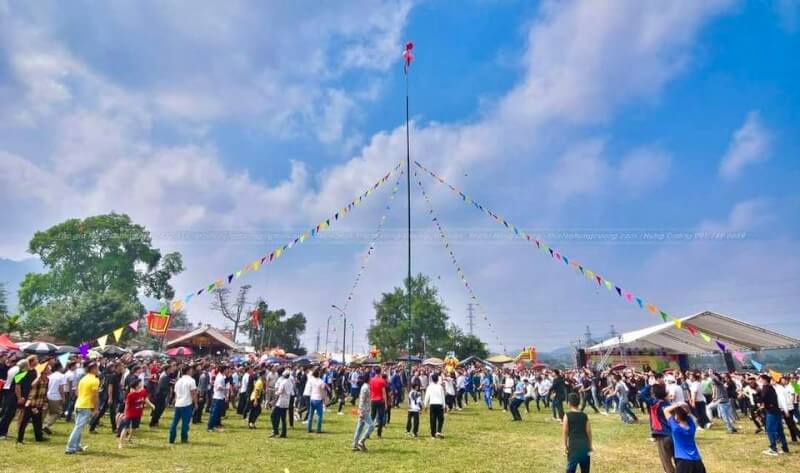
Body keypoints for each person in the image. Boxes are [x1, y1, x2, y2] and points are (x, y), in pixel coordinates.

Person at [66, 362, 100, 454]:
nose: (98, 370)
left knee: (78, 427)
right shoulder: (95, 380)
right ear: (92, 369)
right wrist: (96, 408)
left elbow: (77, 392)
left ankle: (76, 446)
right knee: (78, 427)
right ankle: (70, 448)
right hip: (86, 405)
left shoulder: (83, 378)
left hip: (79, 404)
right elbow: (95, 396)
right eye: (97, 368)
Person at [641, 382, 674, 473]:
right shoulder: (667, 403)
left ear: (654, 394)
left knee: (666, 460)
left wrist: (649, 385)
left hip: (662, 435)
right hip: (672, 433)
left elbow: (642, 395)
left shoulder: (654, 402)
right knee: (677, 457)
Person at [664, 402, 707, 473]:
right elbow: (689, 413)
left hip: (683, 461)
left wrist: (677, 404)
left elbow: (666, 410)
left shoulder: (676, 428)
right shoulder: (692, 426)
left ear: (676, 415)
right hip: (697, 460)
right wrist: (683, 406)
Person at [18, 362, 49, 444]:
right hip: (31, 404)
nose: (49, 372)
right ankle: (19, 439)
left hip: (39, 404)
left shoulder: (47, 380)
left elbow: (45, 392)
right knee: (24, 422)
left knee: (38, 422)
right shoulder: (37, 380)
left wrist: (45, 402)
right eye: (47, 371)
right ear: (42, 372)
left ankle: (39, 438)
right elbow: (32, 385)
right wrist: (38, 377)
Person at [758, 373, 789, 456]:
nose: (759, 380)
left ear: (764, 380)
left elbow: (763, 398)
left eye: (760, 379)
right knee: (779, 430)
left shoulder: (766, 387)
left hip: (771, 412)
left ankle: (773, 448)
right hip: (777, 411)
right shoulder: (772, 387)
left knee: (770, 430)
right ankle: (785, 448)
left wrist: (760, 404)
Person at [117, 377, 153, 449]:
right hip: (130, 413)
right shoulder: (131, 395)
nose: (142, 384)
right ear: (136, 386)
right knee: (126, 428)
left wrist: (151, 405)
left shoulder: (143, 391)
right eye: (140, 383)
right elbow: (127, 405)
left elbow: (145, 398)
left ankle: (129, 438)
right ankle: (120, 443)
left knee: (134, 428)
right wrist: (124, 414)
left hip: (138, 413)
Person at [563, 392, 592, 473]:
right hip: (584, 446)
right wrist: (590, 445)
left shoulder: (567, 415)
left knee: (571, 469)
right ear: (578, 403)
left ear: (569, 403)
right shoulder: (584, 416)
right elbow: (589, 432)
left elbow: (565, 432)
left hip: (573, 446)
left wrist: (565, 445)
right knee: (585, 470)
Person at [169, 365, 197, 444]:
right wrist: (195, 403)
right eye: (191, 370)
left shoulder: (178, 381)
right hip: (186, 404)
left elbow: (176, 393)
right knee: (185, 423)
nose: (192, 372)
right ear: (188, 371)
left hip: (178, 403)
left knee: (174, 422)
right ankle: (184, 439)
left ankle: (171, 438)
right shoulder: (191, 380)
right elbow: (193, 393)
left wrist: (174, 402)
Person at [352, 373, 374, 452]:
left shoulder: (366, 386)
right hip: (364, 411)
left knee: (359, 428)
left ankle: (354, 445)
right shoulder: (365, 387)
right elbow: (361, 400)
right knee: (371, 426)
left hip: (365, 409)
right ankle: (361, 441)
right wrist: (361, 411)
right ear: (368, 379)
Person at [43, 361, 66, 435]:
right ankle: (47, 425)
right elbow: (61, 388)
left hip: (48, 395)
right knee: (57, 412)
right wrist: (63, 397)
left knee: (48, 412)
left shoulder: (50, 376)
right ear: (60, 367)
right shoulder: (62, 376)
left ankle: (43, 424)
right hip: (56, 397)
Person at [271, 369, 293, 438]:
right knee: (283, 418)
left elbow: (280, 392)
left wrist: (275, 393)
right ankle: (284, 433)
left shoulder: (283, 382)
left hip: (281, 402)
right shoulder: (290, 382)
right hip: (287, 401)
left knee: (273, 415)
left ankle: (275, 430)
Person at [207, 365, 230, 432]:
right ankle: (210, 427)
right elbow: (219, 387)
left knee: (217, 413)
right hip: (218, 397)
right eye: (227, 369)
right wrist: (226, 389)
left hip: (220, 397)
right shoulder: (220, 377)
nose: (228, 371)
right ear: (224, 370)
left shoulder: (221, 376)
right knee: (214, 413)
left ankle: (215, 425)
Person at [424, 373, 445, 438]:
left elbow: (427, 396)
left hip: (432, 404)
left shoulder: (430, 387)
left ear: (432, 379)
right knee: (440, 419)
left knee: (433, 419)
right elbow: (443, 397)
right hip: (439, 404)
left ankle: (433, 434)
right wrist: (444, 406)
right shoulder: (440, 387)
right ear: (438, 379)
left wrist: (425, 405)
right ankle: (438, 431)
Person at [368, 367, 388, 438]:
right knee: (380, 417)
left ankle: (367, 433)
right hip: (380, 400)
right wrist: (386, 403)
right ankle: (379, 434)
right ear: (380, 372)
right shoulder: (382, 381)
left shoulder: (371, 380)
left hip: (373, 400)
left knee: (372, 417)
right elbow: (384, 393)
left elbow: (370, 391)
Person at [306, 368, 327, 433]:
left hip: (312, 398)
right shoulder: (321, 381)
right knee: (320, 415)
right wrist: (324, 399)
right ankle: (318, 429)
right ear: (319, 374)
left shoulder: (311, 380)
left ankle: (309, 429)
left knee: (310, 415)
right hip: (318, 399)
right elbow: (322, 392)